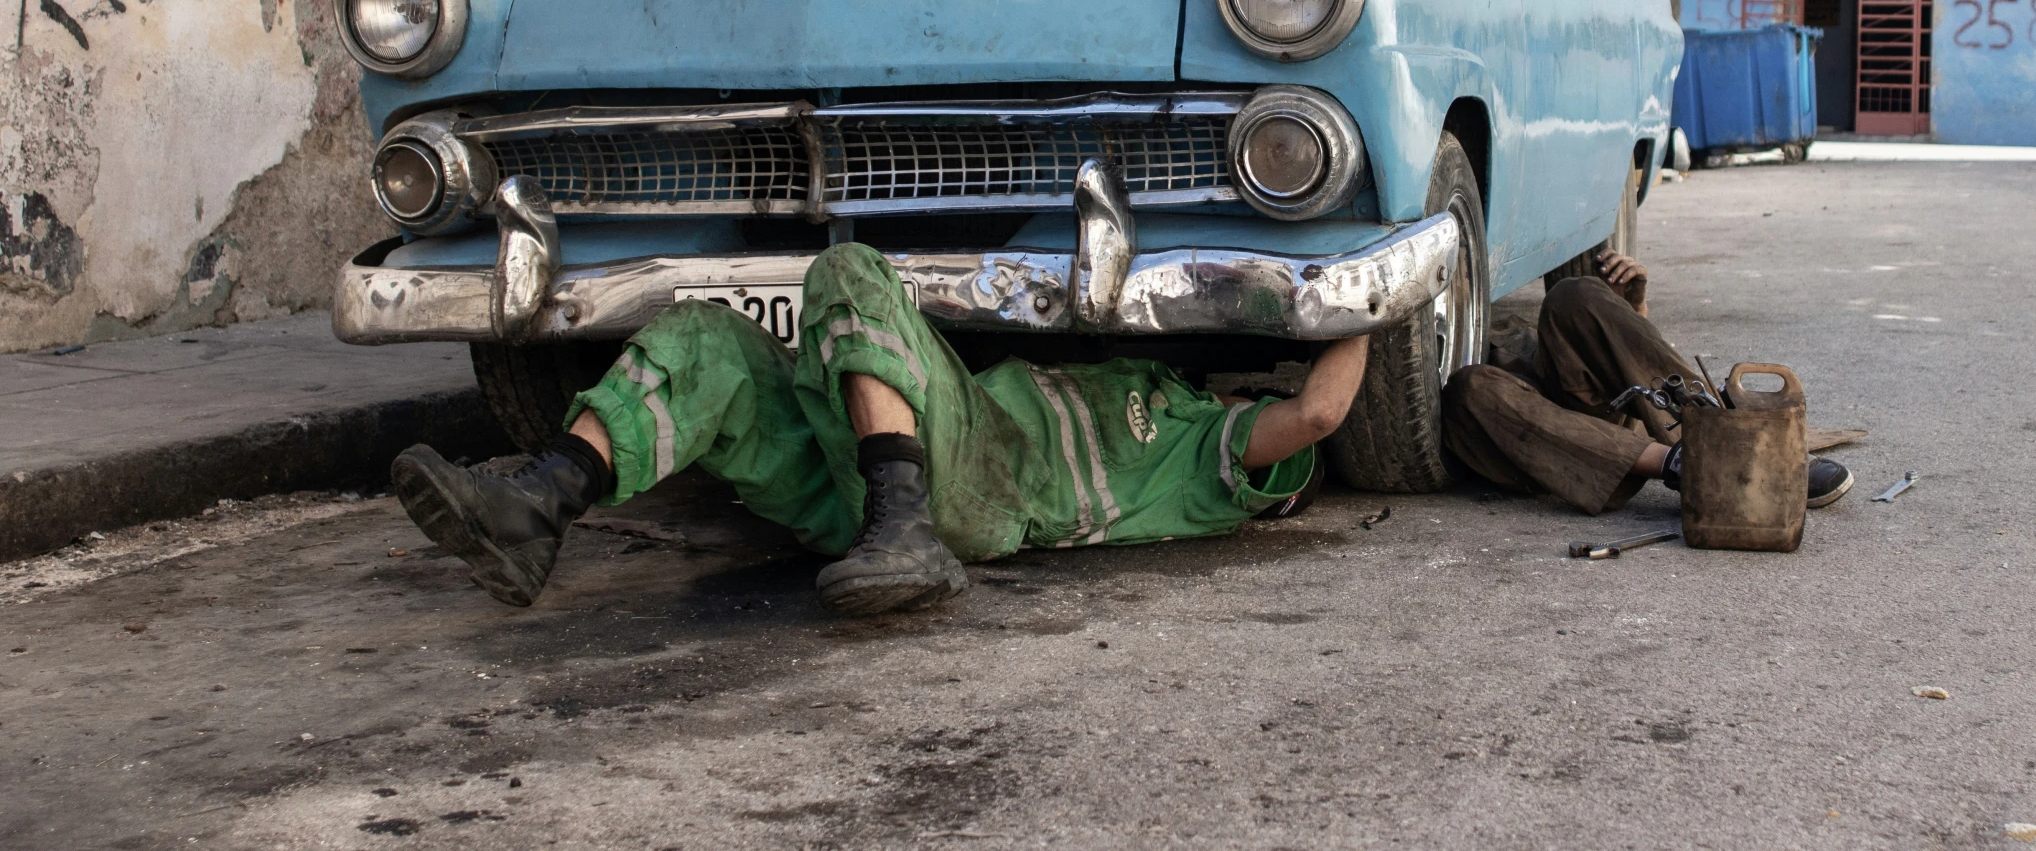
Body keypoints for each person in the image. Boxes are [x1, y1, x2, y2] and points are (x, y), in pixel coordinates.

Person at [389, 242, 1355, 616]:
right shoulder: (1164, 389)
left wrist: (1371, 300)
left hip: (976, 487)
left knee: (849, 271)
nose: (1254, 407)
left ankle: (906, 525)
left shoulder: (1203, 465)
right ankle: (538, 507)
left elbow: (1316, 412)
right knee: (706, 341)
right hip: (853, 485)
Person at [1443, 249, 1855, 513]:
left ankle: (1731, 434)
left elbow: (1621, 367)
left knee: (1573, 295)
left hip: (1569, 390)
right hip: (1525, 432)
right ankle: (1693, 464)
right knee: (1470, 389)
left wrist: (1633, 308)